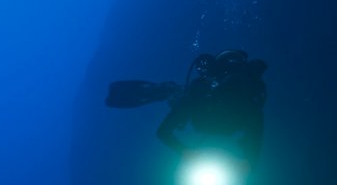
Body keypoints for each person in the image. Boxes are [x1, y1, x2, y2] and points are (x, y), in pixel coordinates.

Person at [106, 49, 267, 164]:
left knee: (181, 94)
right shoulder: (199, 93)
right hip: (198, 106)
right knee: (177, 93)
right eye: (227, 75)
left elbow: (163, 132)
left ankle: (168, 91)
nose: (232, 84)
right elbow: (163, 132)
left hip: (203, 115)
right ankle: (168, 90)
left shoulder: (251, 103)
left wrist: (186, 152)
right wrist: (188, 153)